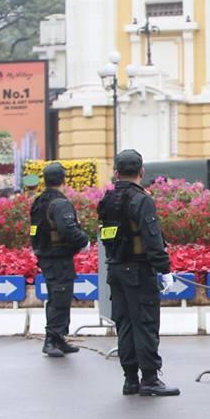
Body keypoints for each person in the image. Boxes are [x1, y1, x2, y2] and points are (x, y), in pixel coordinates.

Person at [97, 149, 179, 397]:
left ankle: (130, 379)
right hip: (138, 270)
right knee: (145, 324)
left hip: (116, 269)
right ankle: (150, 379)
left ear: (116, 172)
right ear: (141, 171)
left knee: (124, 325)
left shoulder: (108, 199)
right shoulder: (141, 200)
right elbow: (152, 239)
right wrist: (164, 269)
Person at [29, 163, 91, 358]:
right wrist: (84, 241)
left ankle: (58, 338)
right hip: (58, 257)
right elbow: (67, 229)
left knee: (57, 297)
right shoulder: (59, 203)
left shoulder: (40, 201)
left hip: (47, 256)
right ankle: (51, 340)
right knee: (60, 298)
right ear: (64, 180)